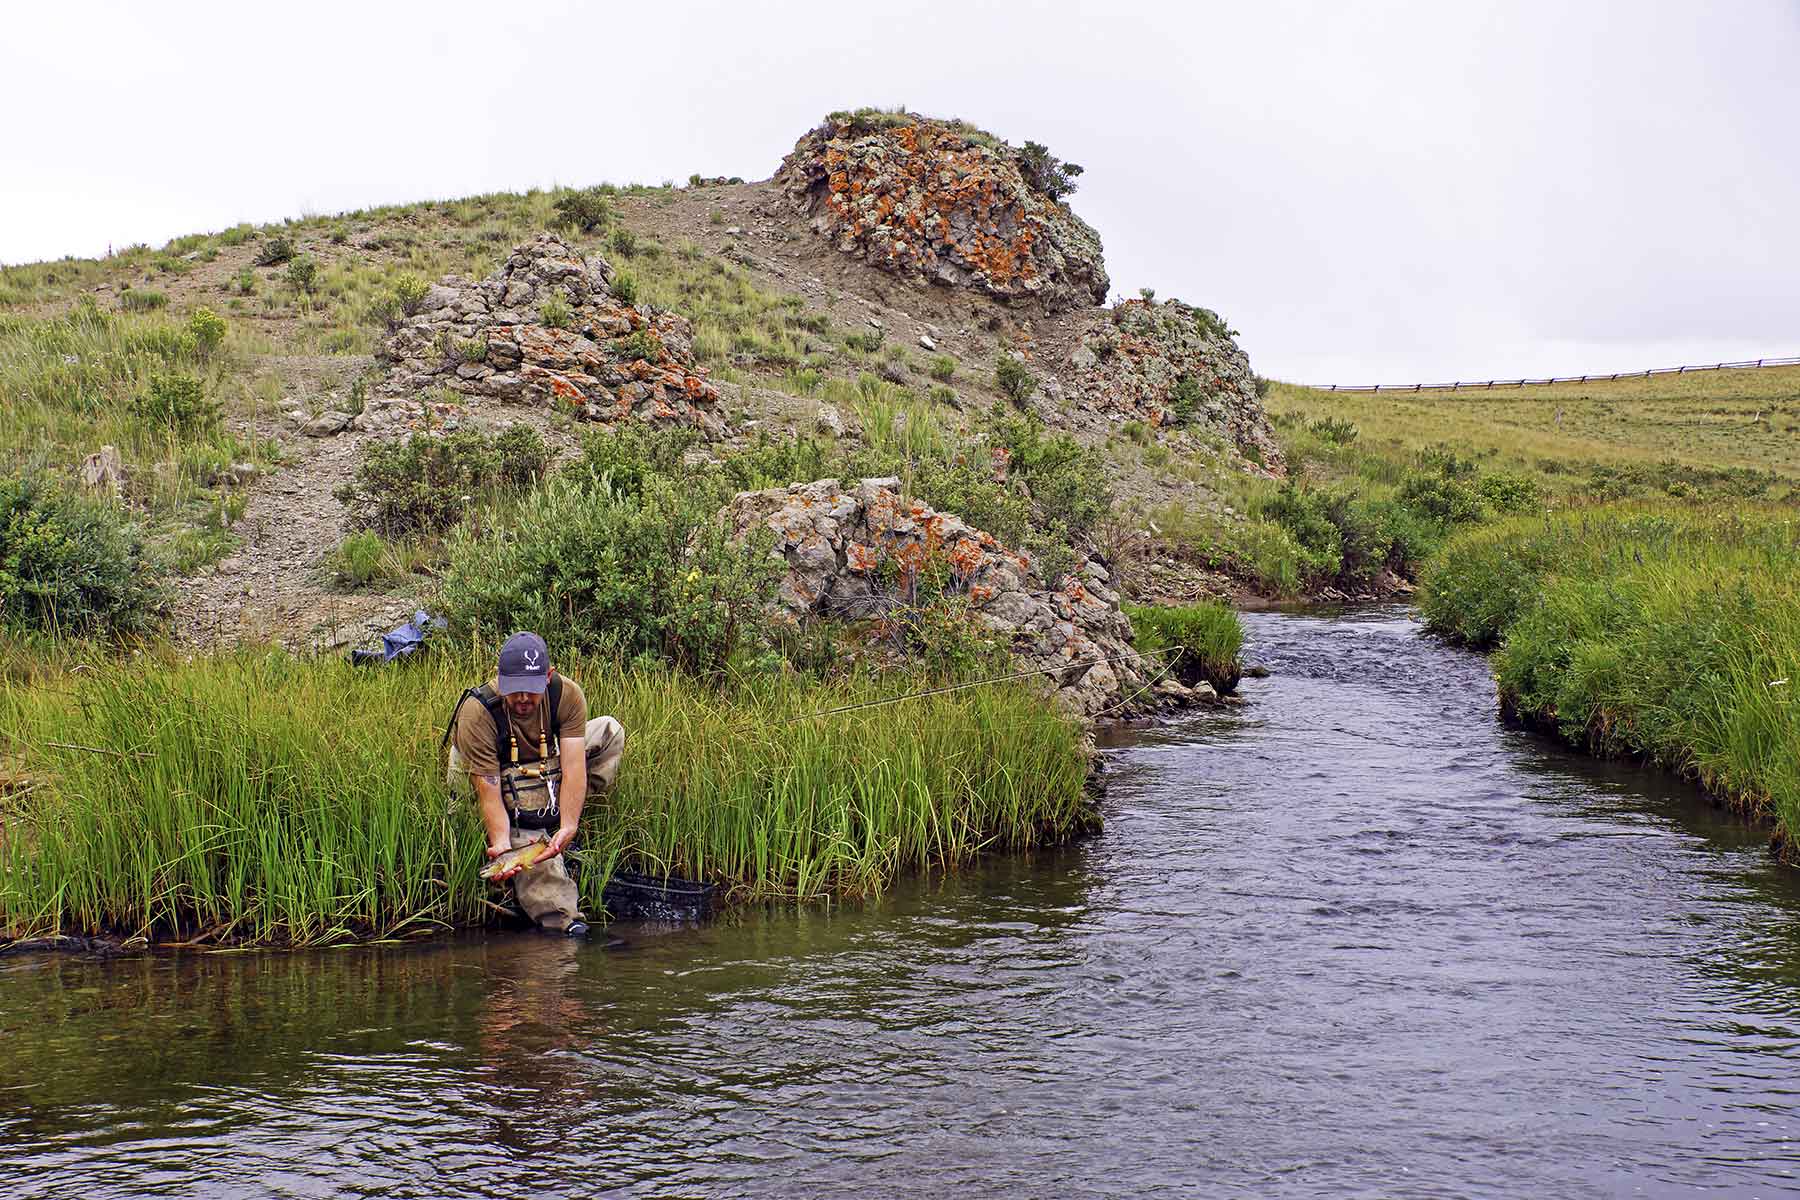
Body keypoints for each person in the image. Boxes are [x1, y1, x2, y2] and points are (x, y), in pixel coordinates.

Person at [444, 632, 626, 936]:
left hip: (538, 772)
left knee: (610, 730)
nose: (524, 699)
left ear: (548, 676)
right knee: (531, 854)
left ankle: (552, 819)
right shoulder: (477, 713)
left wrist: (569, 824)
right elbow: (487, 791)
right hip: (489, 783)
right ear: (500, 680)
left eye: (531, 689)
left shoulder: (566, 694)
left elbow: (573, 765)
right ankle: (561, 916)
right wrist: (501, 846)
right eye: (515, 690)